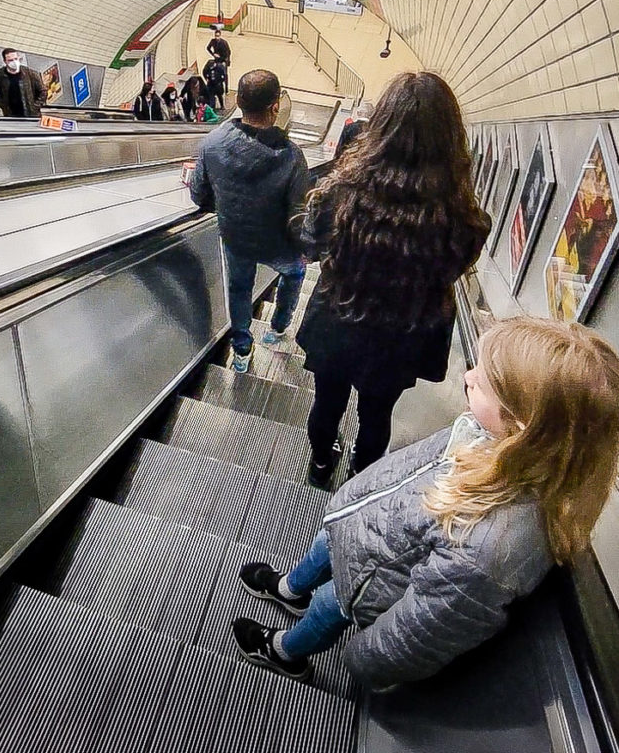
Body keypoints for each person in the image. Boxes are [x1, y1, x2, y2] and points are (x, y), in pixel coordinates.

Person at [231, 316, 619, 688]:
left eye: (481, 383)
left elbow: (420, 629)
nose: (466, 377)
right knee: (322, 548)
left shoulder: (490, 547)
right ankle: (290, 589)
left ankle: (284, 652)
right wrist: (350, 506)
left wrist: (364, 658)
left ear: (522, 427)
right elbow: (405, 471)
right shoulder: (483, 434)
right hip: (360, 530)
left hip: (366, 582)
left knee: (325, 607)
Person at [298, 71, 490, 486]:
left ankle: (318, 466)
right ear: (451, 138)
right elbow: (450, 272)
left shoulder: (340, 193)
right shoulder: (463, 219)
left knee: (326, 402)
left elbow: (310, 246)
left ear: (381, 126)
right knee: (377, 413)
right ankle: (360, 476)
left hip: (338, 319)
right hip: (403, 335)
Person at [190, 69, 309, 372]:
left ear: (238, 102)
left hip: (237, 236)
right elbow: (298, 216)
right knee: (295, 273)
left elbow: (199, 197)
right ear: (275, 108)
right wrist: (309, 247)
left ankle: (241, 351)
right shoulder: (293, 157)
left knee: (239, 289)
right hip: (279, 244)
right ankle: (277, 329)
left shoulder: (211, 144)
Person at [0, 47, 46, 118]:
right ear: (5, 61)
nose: (14, 62)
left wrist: (35, 107)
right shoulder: (1, 74)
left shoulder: (30, 73)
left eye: (16, 59)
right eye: (10, 60)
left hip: (30, 115)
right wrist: (4, 107)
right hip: (11, 116)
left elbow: (43, 91)